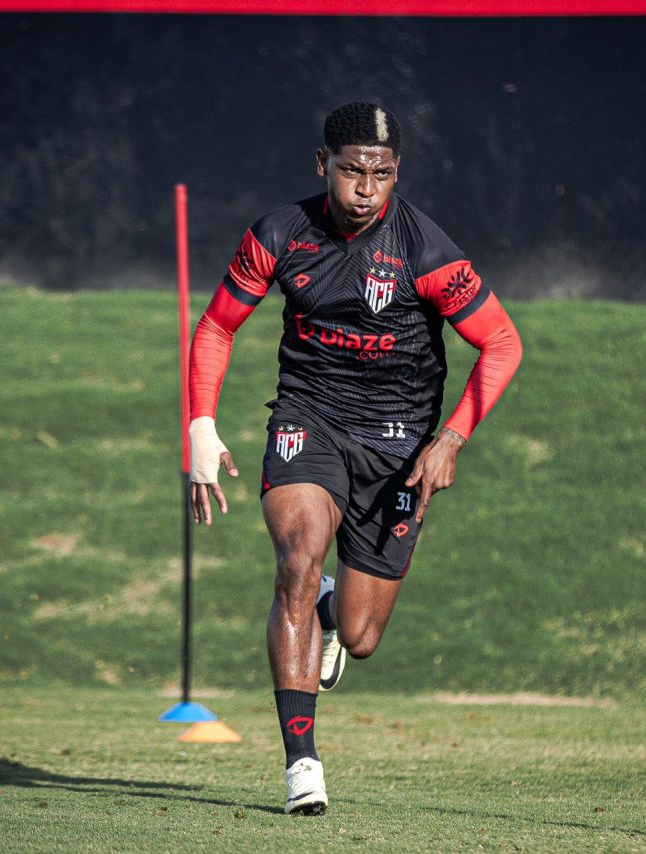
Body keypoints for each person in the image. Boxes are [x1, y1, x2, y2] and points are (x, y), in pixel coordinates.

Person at [187, 101, 522, 816]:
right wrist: (201, 428)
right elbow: (218, 325)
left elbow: (502, 343)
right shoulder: (279, 235)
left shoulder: (427, 252)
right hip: (308, 420)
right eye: (351, 172)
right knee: (299, 559)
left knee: (363, 637)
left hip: (399, 444)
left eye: (383, 174)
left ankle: (333, 612)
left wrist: (451, 439)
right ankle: (301, 763)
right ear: (323, 166)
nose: (366, 188)